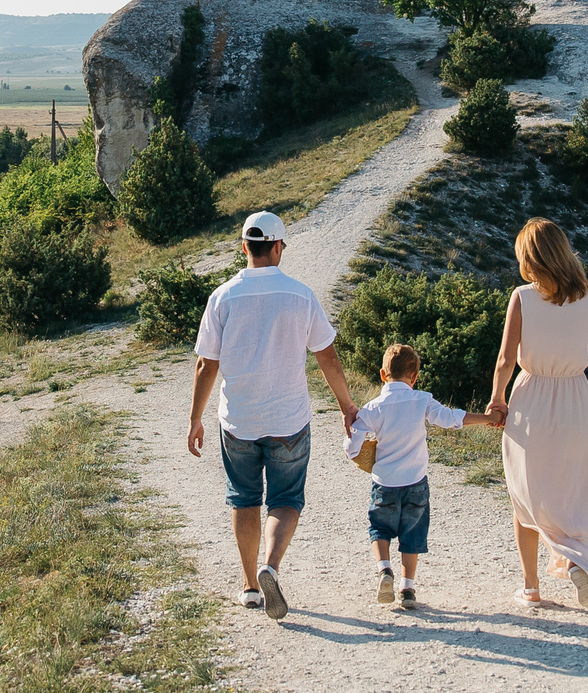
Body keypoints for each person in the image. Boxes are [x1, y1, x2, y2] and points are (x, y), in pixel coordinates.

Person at [188, 210, 358, 619]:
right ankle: (271, 566)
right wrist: (347, 406)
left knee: (243, 499)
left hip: (239, 421)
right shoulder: (300, 295)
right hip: (289, 420)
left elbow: (205, 365)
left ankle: (249, 586)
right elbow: (327, 356)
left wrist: (195, 418)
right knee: (285, 499)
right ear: (279, 247)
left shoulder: (223, 296)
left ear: (244, 246)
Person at [488, 217, 588, 608]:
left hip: (531, 400)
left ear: (530, 258)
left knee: (524, 493)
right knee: (571, 494)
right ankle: (578, 562)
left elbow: (505, 358)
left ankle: (531, 587)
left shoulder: (523, 297)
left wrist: (498, 398)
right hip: (576, 402)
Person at [344, 342, 504, 608]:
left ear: (383, 375)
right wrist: (487, 418)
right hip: (416, 483)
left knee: (379, 527)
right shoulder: (422, 400)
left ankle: (384, 569)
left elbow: (351, 449)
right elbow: (451, 418)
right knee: (413, 533)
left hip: (384, 483)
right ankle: (407, 589)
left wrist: (359, 444)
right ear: (415, 376)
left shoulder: (373, 408)